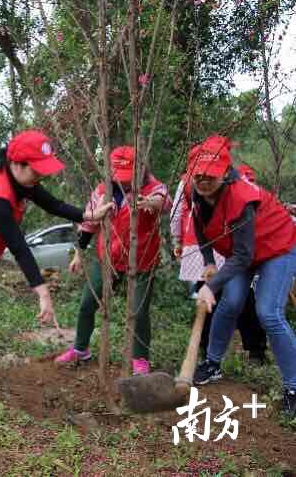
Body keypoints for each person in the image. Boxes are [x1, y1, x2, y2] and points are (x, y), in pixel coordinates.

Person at [0, 130, 113, 407]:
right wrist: (42, 292)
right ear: (17, 164)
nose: (40, 176)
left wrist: (88, 215)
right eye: (36, 170)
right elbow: (19, 247)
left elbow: (53, 204)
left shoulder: (23, 180)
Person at [188, 135, 296, 418]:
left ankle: (294, 388)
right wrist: (210, 262)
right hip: (241, 252)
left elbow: (245, 257)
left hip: (277, 246)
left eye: (210, 176)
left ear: (225, 173)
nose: (203, 182)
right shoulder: (195, 194)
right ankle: (212, 363)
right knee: (231, 302)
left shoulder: (242, 198)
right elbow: (201, 229)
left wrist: (211, 286)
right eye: (198, 176)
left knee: (268, 313)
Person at [54, 146, 171, 374]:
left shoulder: (153, 187)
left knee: (138, 311)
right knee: (88, 303)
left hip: (143, 261)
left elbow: (163, 202)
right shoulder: (102, 191)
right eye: (119, 177)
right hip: (107, 258)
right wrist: (79, 254)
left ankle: (140, 359)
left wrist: (149, 203)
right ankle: (81, 348)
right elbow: (88, 225)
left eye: (129, 177)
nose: (124, 183)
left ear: (140, 170)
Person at [170, 165, 267, 365]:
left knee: (212, 299)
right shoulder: (238, 176)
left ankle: (210, 354)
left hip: (212, 245)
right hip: (218, 244)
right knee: (241, 297)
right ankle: (253, 351)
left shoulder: (189, 179)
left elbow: (177, 214)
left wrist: (177, 240)